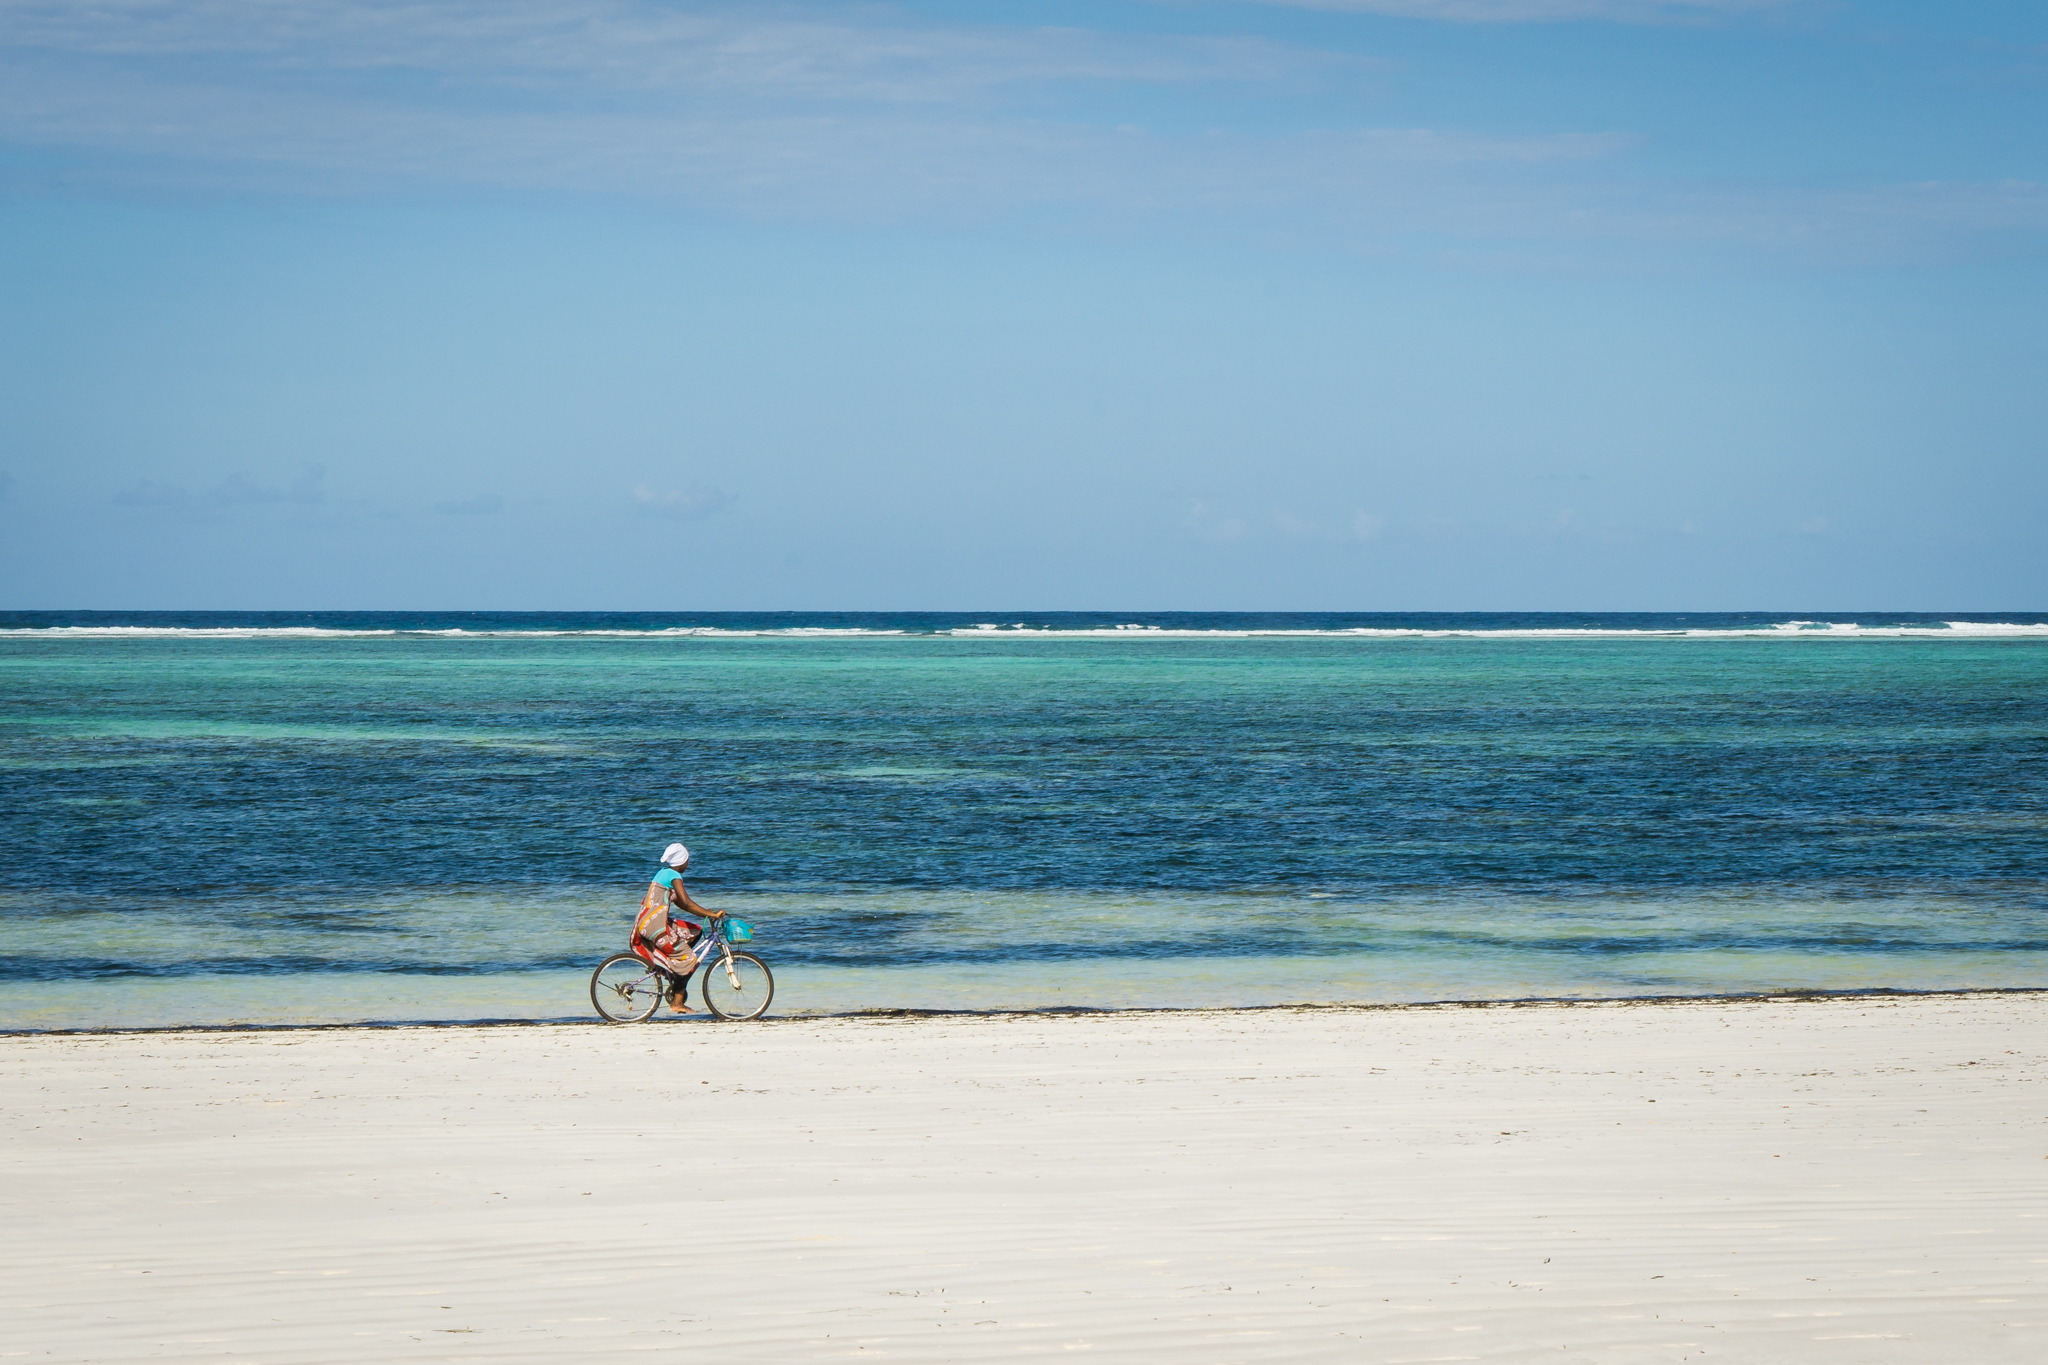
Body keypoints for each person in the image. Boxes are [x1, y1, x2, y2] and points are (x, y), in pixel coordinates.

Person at [635, 842, 726, 1014]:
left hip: (650, 922)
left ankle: (674, 969)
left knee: (695, 931)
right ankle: (677, 1002)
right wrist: (713, 915)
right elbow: (687, 902)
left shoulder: (664, 874)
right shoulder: (673, 875)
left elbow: (683, 905)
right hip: (656, 925)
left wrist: (706, 913)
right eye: (687, 860)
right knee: (690, 959)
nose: (688, 864)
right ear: (681, 861)